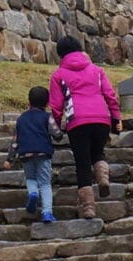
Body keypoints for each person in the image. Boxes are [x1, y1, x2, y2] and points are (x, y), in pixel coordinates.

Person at [47, 36, 124, 220]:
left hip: (77, 122)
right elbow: (110, 95)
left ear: (60, 54)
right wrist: (116, 118)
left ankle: (89, 208)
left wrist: (57, 126)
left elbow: (56, 106)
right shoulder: (97, 70)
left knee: (82, 164)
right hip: (101, 119)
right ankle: (103, 177)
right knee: (98, 152)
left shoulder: (59, 75)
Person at [10, 84, 59, 224]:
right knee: (44, 183)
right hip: (43, 153)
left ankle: (33, 193)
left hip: (25, 155)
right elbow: (56, 133)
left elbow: (15, 140)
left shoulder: (21, 119)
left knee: (31, 178)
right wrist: (60, 134)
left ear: (29, 101)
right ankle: (47, 213)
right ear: (47, 103)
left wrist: (10, 158)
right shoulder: (47, 117)